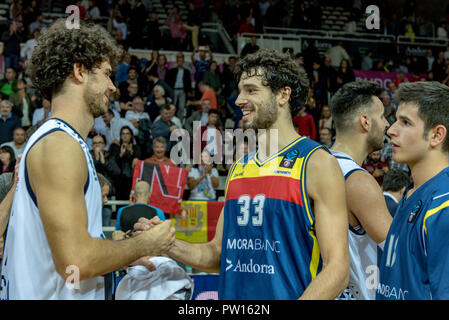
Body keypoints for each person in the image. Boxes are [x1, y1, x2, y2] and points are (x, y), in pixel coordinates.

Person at [136, 49, 350, 299]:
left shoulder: (317, 163)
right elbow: (218, 254)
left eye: (251, 90)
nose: (238, 100)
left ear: (283, 94)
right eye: (240, 90)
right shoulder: (239, 168)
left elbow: (338, 269)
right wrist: (165, 242)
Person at [0, 19, 176, 300]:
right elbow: (76, 261)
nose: (112, 87)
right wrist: (143, 244)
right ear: (79, 71)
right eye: (106, 74)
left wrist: (120, 251)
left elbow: (62, 248)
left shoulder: (62, 141)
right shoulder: (59, 146)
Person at [377, 81, 449, 300]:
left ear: (437, 135)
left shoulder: (443, 207)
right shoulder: (412, 191)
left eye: (405, 122)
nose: (391, 130)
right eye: (395, 120)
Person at [330, 80, 392, 300]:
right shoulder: (357, 180)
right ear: (365, 122)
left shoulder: (313, 167)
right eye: (383, 116)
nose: (387, 125)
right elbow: (401, 252)